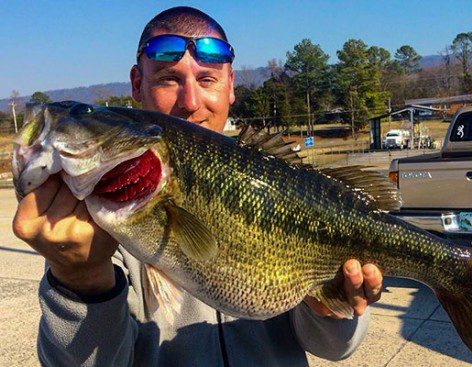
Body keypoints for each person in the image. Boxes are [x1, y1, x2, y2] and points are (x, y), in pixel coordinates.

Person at [13, 6, 384, 366]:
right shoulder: (97, 220)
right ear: (137, 85)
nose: (191, 103)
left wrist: (327, 309)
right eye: (168, 78)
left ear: (230, 86)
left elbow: (333, 349)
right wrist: (82, 280)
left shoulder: (279, 180)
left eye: (207, 79)